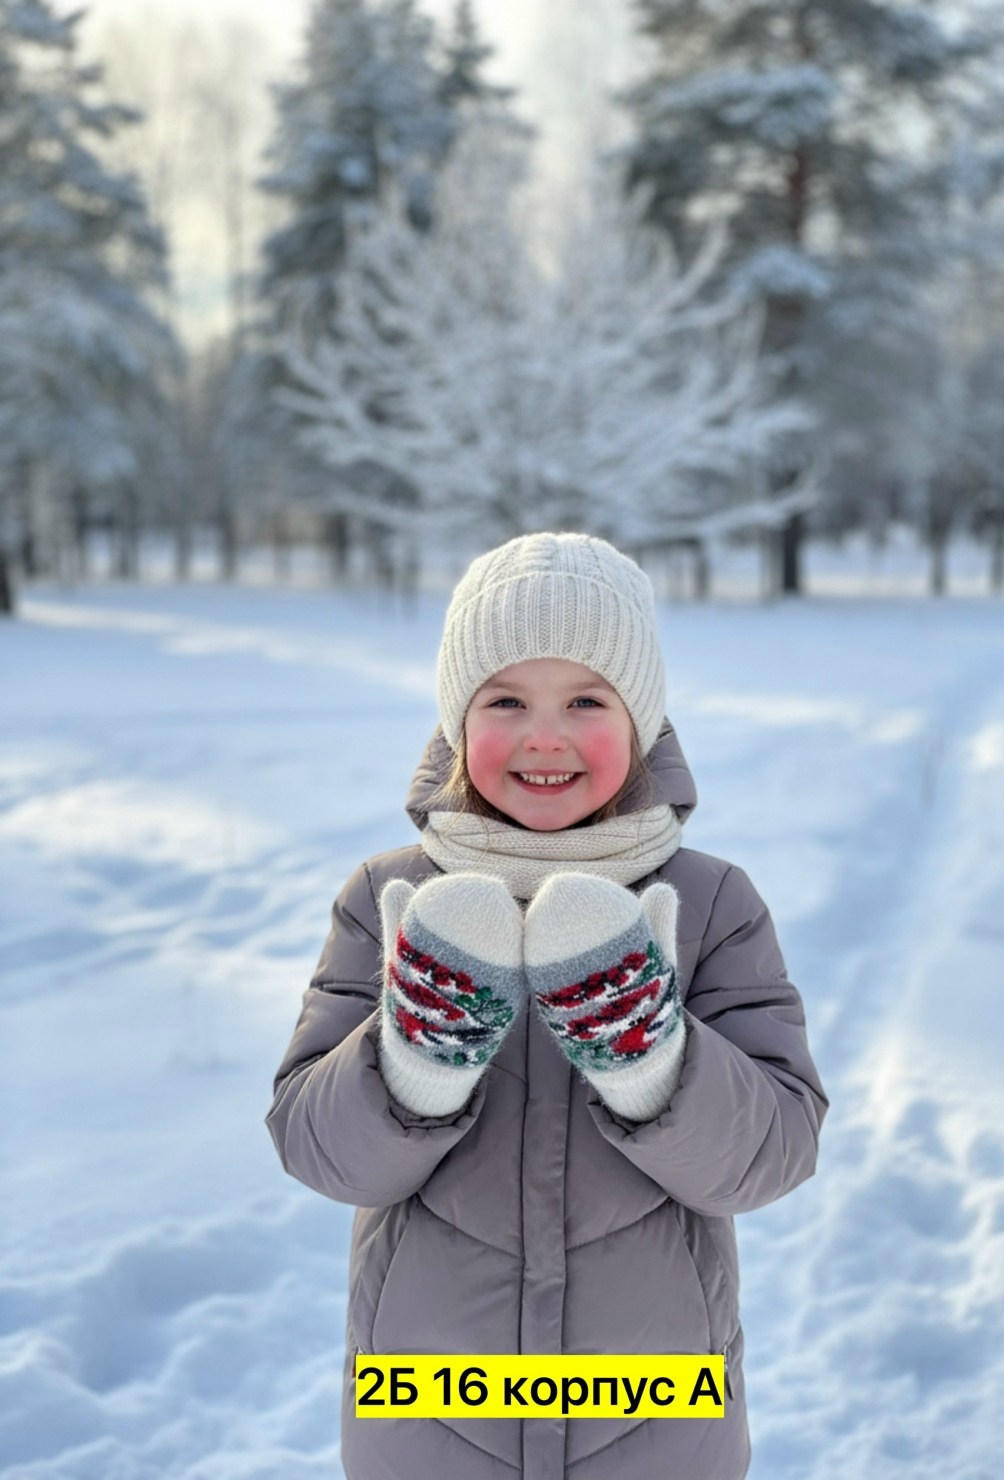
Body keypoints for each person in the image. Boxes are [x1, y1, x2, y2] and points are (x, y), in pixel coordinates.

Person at [266, 531, 828, 1480]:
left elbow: (772, 1155)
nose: (545, 735)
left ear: (642, 719)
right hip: (428, 1409)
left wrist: (654, 1059)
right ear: (456, 719)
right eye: (507, 700)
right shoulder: (384, 897)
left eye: (585, 700)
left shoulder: (714, 903)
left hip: (655, 1413)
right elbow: (319, 1150)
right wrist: (414, 1061)